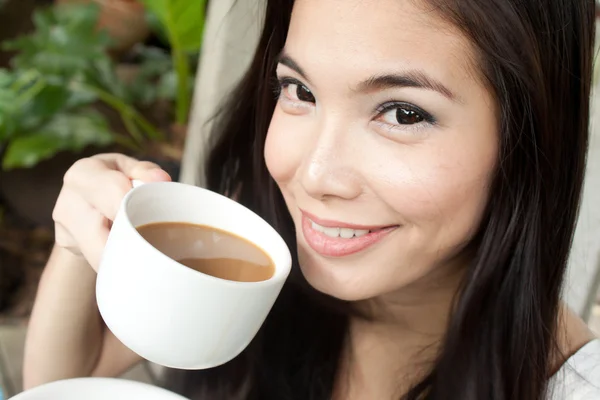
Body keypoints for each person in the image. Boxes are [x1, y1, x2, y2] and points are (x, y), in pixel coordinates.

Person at [22, 0, 600, 399]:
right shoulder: (257, 269)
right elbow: (69, 381)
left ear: (526, 139)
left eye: (402, 113)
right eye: (299, 91)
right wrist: (79, 245)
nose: (316, 175)